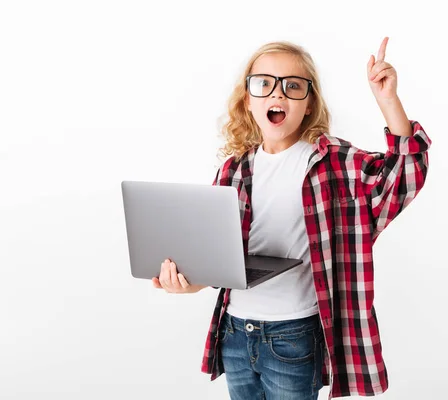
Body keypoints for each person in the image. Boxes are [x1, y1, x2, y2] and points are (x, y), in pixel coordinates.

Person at [152, 37, 432, 399]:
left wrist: (388, 101)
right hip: (235, 334)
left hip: (294, 337)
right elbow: (219, 260)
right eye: (264, 84)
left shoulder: (332, 162)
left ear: (309, 103)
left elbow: (405, 174)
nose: (277, 95)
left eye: (293, 86)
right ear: (248, 100)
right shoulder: (233, 170)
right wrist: (187, 283)